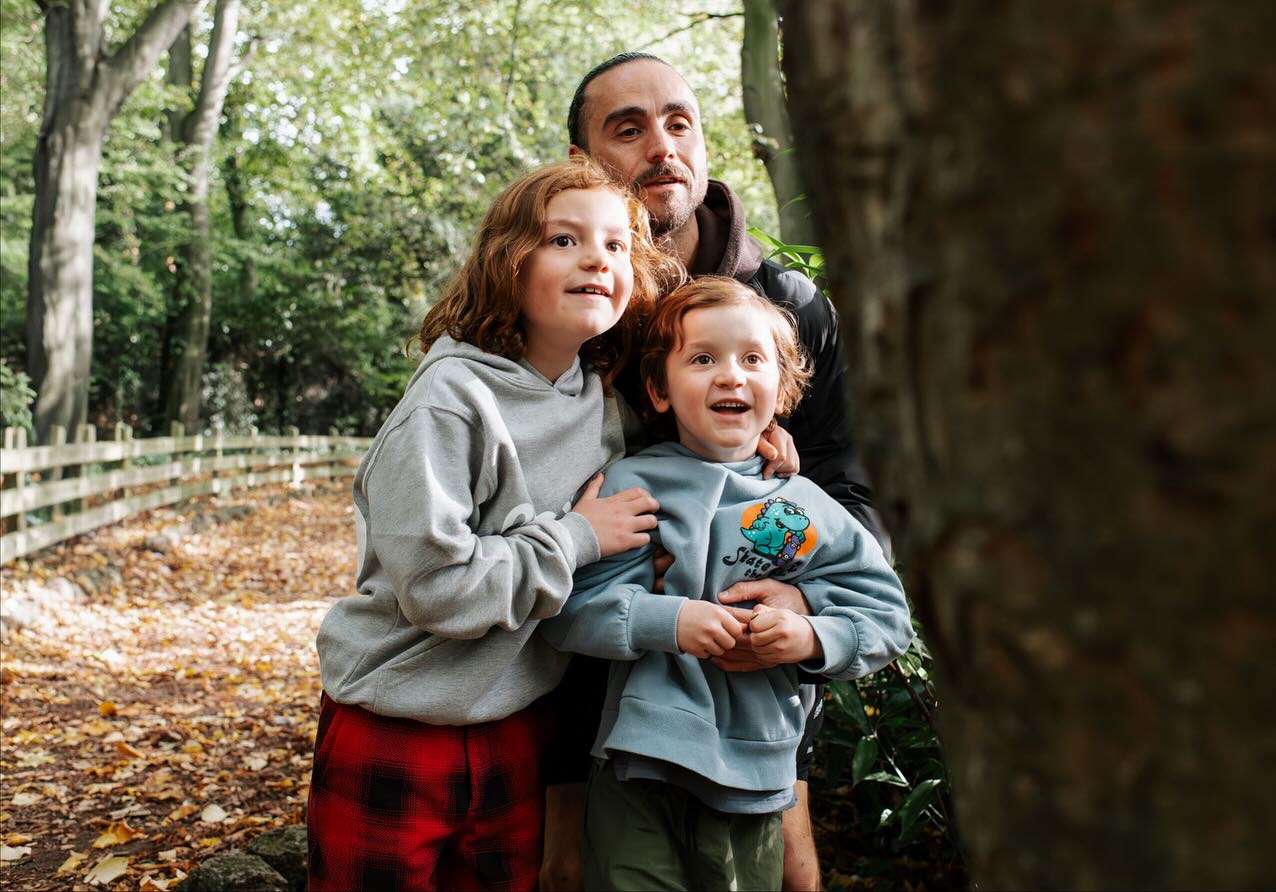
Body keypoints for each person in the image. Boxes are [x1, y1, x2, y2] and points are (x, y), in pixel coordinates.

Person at [542, 52, 891, 891]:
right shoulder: (570, 294)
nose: (661, 144)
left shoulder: (788, 308)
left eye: (678, 121)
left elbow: (850, 494)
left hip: (754, 685)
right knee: (569, 870)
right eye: (627, 129)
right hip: (592, 670)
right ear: (586, 164)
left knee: (789, 876)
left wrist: (802, 602)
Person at [305, 159, 682, 892]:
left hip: (516, 720)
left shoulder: (595, 398)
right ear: (509, 262)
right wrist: (577, 537)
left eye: (614, 246)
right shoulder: (449, 402)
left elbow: (670, 468)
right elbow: (439, 591)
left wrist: (750, 446)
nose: (596, 261)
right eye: (564, 241)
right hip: (399, 717)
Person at [540, 277, 914, 890]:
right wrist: (669, 623)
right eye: (704, 359)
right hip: (643, 763)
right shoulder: (631, 484)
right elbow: (568, 608)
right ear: (659, 389)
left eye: (753, 359)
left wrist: (809, 636)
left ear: (781, 388)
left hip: (758, 775)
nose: (731, 376)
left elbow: (886, 616)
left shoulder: (805, 507)